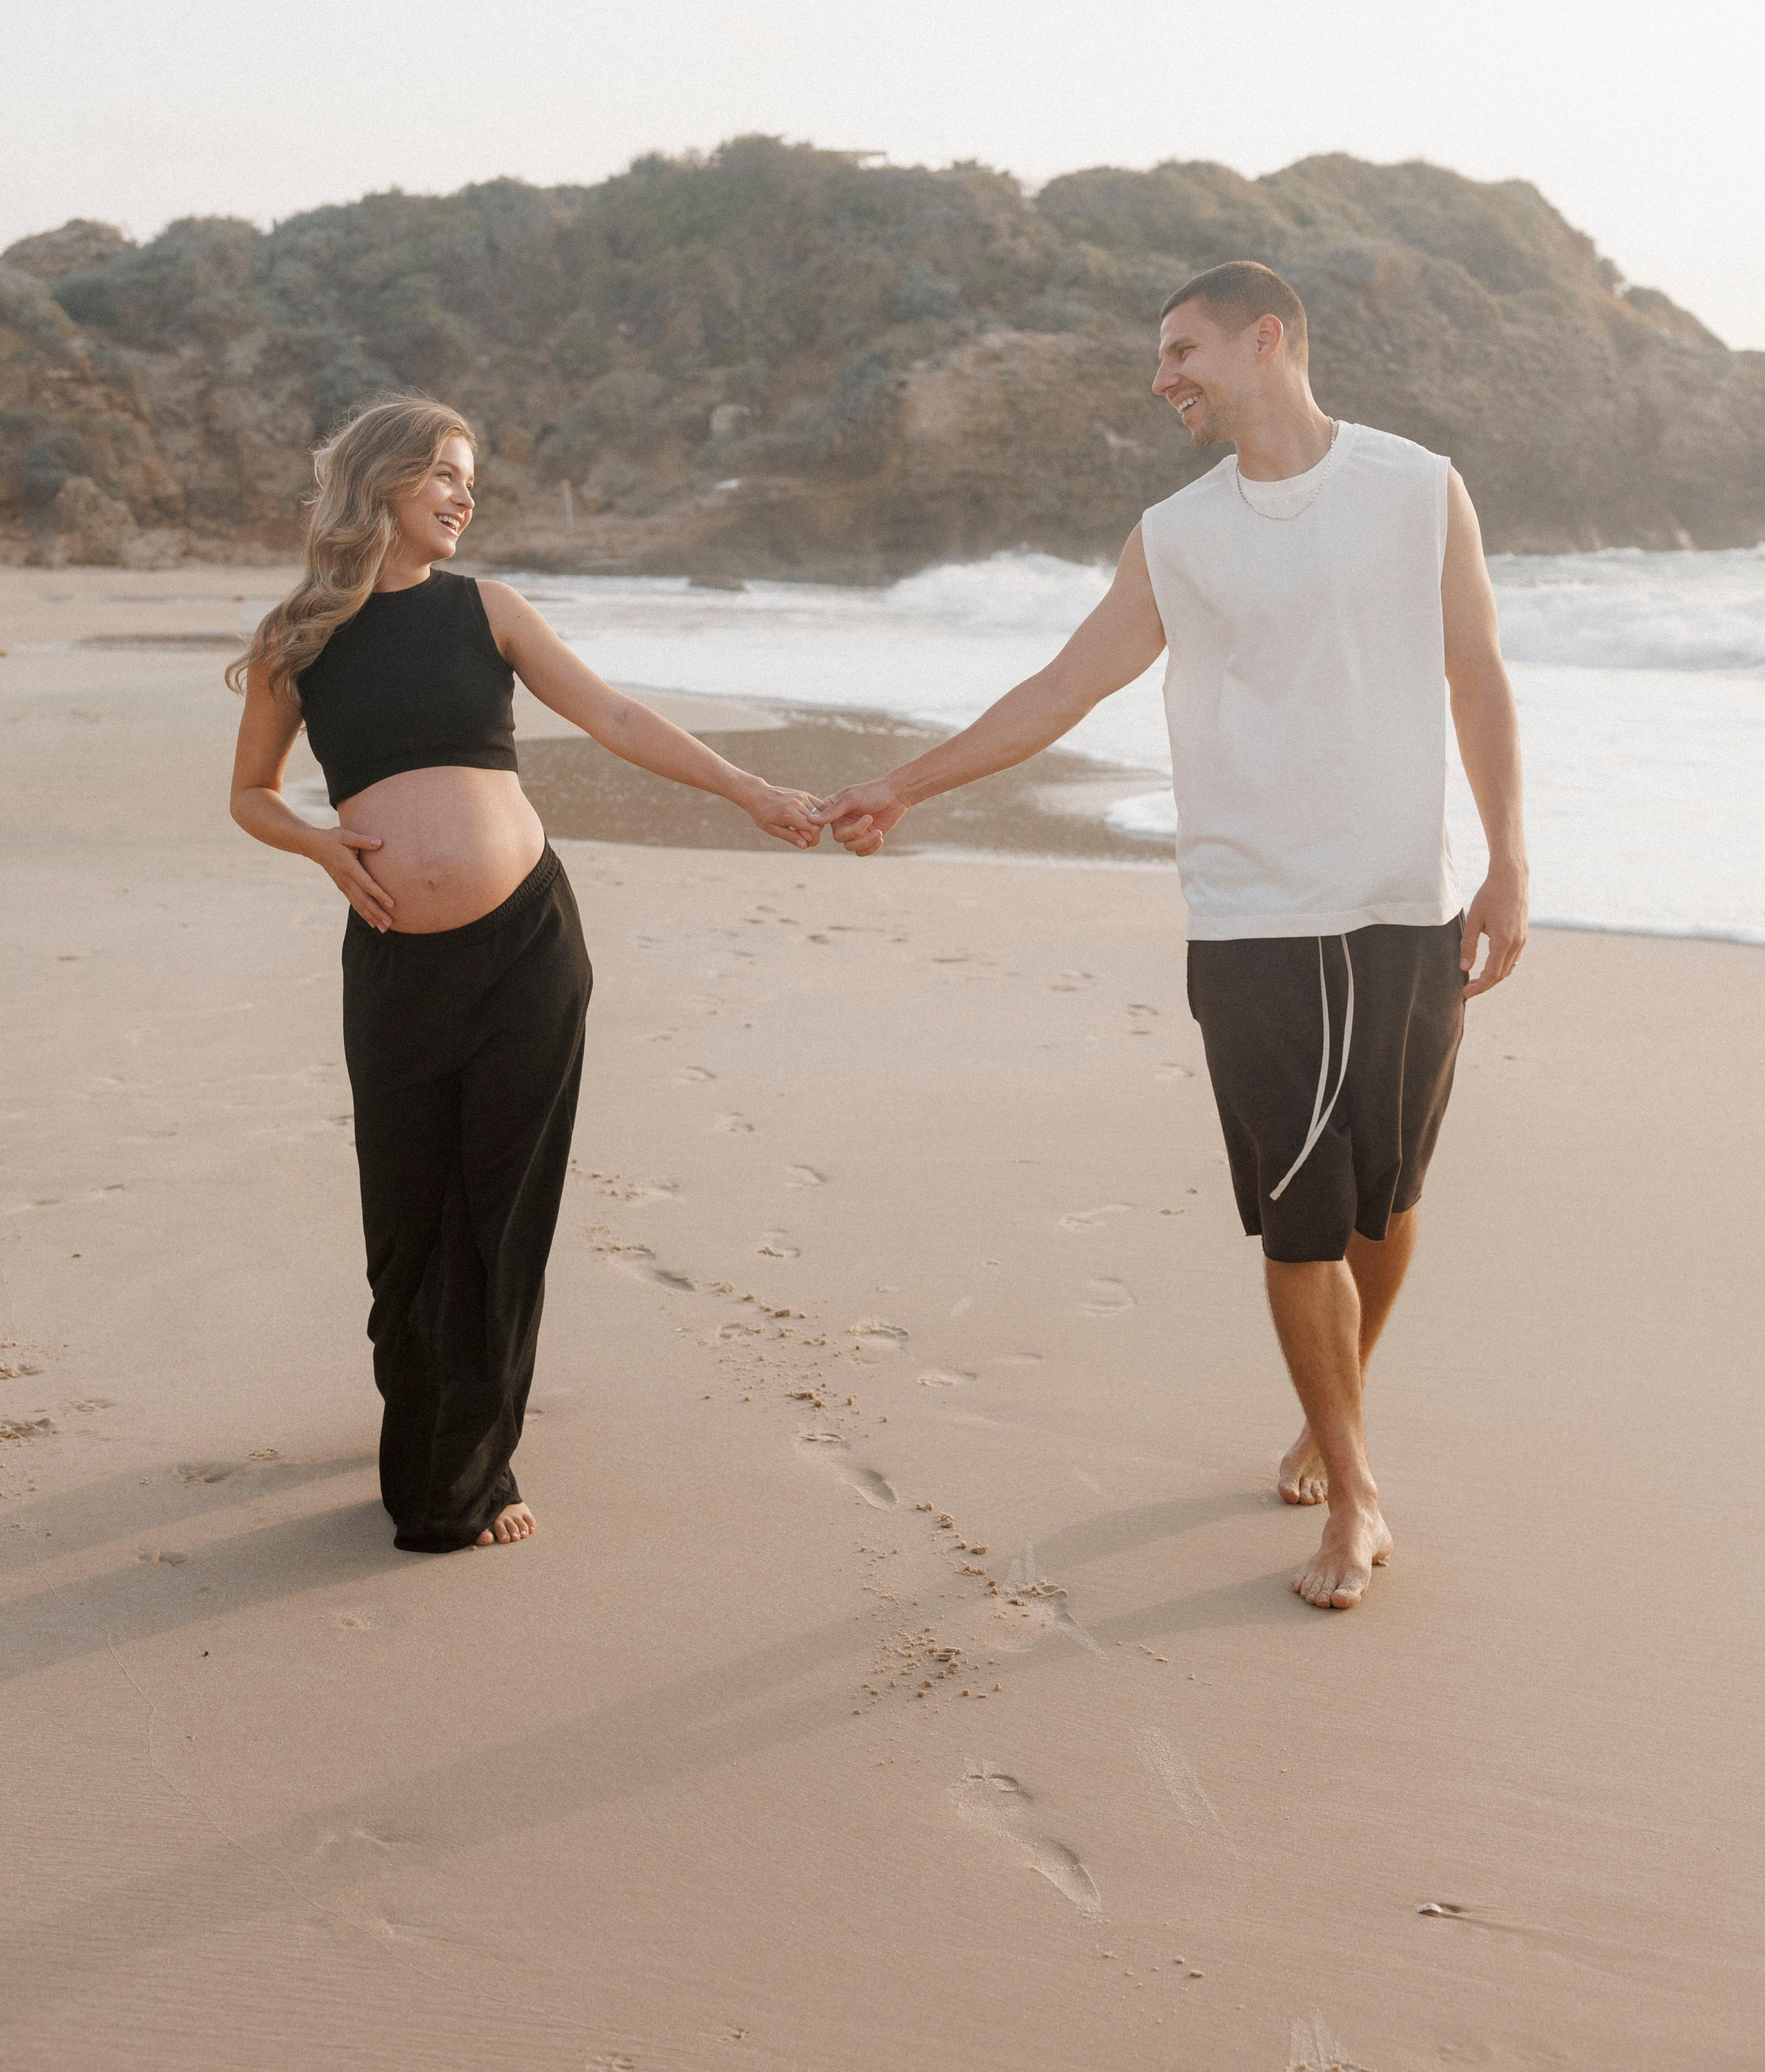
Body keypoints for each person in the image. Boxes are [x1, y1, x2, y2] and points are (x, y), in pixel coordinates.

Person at [815, 261, 1527, 1611]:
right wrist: (904, 783)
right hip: (1257, 913)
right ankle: (1357, 1493)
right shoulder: (1176, 533)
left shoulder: (1413, 485)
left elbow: (1476, 672)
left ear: (1266, 340)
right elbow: (1064, 683)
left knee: (1388, 1197)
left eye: (1181, 351)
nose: (1163, 380)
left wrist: (1506, 862)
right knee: (1302, 1220)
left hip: (1406, 900)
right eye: (1159, 359)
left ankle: (1334, 1415)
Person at [227, 397, 822, 1553]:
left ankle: (469, 1471)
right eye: (445, 474)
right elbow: (249, 790)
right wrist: (315, 840)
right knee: (406, 1211)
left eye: (470, 481)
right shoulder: (297, 639)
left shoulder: (487, 610)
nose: (462, 495)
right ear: (384, 480)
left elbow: (612, 713)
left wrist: (752, 791)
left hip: (526, 950)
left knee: (501, 1206)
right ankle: (427, 1402)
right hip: (397, 957)